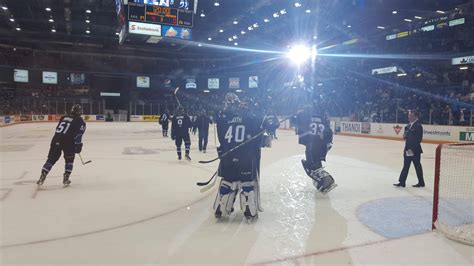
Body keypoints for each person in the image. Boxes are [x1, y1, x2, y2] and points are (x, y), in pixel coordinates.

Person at [213, 93, 264, 221]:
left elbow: (221, 138)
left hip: (228, 156)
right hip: (245, 157)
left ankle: (221, 207)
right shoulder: (249, 118)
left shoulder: (223, 118)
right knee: (247, 183)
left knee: (227, 181)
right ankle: (249, 211)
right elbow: (259, 138)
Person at [37, 104, 86, 186]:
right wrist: (78, 145)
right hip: (68, 141)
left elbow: (58, 129)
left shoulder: (63, 118)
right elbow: (78, 135)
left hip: (56, 138)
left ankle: (43, 174)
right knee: (69, 160)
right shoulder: (80, 121)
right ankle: (66, 178)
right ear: (80, 112)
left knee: (51, 159)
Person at [295, 97, 336, 193]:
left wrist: (298, 114)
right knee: (317, 163)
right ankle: (320, 183)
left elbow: (298, 125)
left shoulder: (305, 117)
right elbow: (328, 131)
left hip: (311, 143)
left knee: (312, 166)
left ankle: (325, 181)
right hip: (321, 144)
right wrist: (328, 142)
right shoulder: (322, 118)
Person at [394, 110, 425, 187]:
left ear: (415, 116)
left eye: (411, 115)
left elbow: (418, 139)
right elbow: (406, 136)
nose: (409, 117)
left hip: (415, 151)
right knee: (406, 166)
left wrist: (411, 149)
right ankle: (402, 182)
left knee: (417, 166)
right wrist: (405, 136)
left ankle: (421, 182)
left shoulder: (418, 126)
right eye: (409, 115)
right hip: (408, 150)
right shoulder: (407, 126)